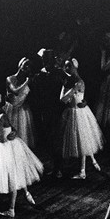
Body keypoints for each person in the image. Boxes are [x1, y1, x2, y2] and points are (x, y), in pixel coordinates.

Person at [0, 91, 43, 218]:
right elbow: (10, 128)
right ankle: (25, 196)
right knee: (12, 175)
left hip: (6, 147)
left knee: (12, 177)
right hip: (6, 146)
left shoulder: (1, 116)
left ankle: (11, 208)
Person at [60, 58, 104, 179]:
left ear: (75, 67)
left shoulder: (79, 81)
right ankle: (93, 162)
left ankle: (83, 171)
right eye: (65, 66)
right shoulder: (67, 82)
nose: (66, 69)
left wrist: (74, 91)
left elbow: (79, 96)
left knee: (83, 140)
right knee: (80, 141)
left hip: (79, 113)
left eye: (69, 66)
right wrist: (71, 89)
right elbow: (62, 99)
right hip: (70, 112)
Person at [31, 48, 66, 178]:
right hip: (45, 110)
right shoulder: (39, 75)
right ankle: (54, 164)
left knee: (57, 138)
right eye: (45, 59)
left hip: (58, 109)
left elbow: (71, 82)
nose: (47, 62)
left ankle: (59, 167)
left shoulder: (59, 73)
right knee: (48, 138)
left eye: (49, 59)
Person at [5, 58, 36, 149]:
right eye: (25, 64)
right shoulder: (10, 78)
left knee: (23, 136)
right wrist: (27, 82)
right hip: (11, 110)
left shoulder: (29, 81)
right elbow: (15, 91)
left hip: (22, 110)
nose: (27, 67)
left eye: (29, 66)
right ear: (20, 64)